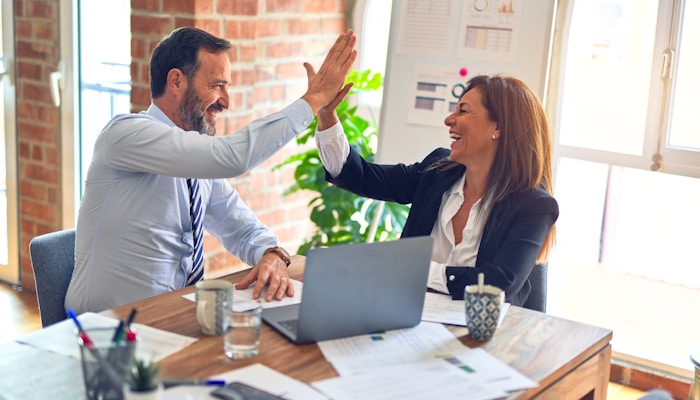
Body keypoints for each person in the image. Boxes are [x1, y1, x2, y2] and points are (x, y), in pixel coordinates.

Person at [65, 27, 357, 313]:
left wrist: (272, 254)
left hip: (173, 318)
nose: (226, 101)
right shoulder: (126, 134)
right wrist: (314, 99)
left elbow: (240, 226)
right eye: (217, 85)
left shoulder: (196, 162)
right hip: (106, 330)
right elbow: (233, 157)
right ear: (176, 81)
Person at [315, 74, 558, 307]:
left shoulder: (534, 206)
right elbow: (360, 176)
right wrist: (327, 115)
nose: (449, 119)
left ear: (498, 128)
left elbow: (498, 284)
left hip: (484, 336)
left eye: (463, 110)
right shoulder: (437, 172)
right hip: (409, 318)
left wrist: (416, 269)